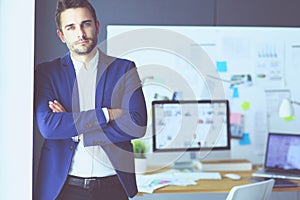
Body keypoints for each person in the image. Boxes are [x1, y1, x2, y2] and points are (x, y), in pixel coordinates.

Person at [34, 0, 147, 199]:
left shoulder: (124, 69)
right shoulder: (47, 72)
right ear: (62, 35)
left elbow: (137, 122)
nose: (81, 33)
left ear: (96, 26)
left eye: (86, 24)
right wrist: (107, 114)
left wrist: (76, 130)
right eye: (71, 27)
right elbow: (49, 127)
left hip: (114, 185)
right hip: (64, 188)